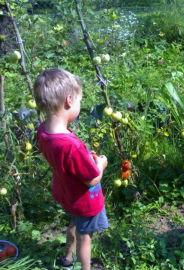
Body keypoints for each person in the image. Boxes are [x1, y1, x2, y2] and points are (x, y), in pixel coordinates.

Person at [34, 68, 109, 270]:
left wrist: (84, 157)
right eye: (79, 102)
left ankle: (67, 259)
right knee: (85, 237)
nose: (79, 105)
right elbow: (92, 179)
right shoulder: (71, 146)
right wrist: (100, 164)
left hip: (67, 193)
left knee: (74, 225)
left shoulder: (43, 132)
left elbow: (67, 160)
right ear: (69, 101)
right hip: (84, 200)